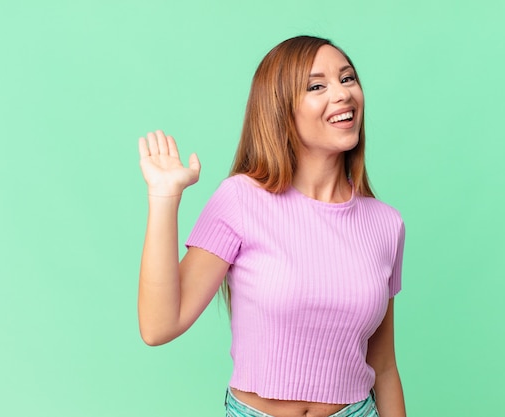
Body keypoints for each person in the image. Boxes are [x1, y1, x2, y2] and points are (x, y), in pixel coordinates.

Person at [137, 35, 406, 417]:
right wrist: (164, 199)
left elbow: (383, 367)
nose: (343, 94)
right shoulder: (240, 200)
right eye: (317, 86)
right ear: (281, 109)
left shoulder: (385, 223)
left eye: (347, 79)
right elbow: (158, 326)